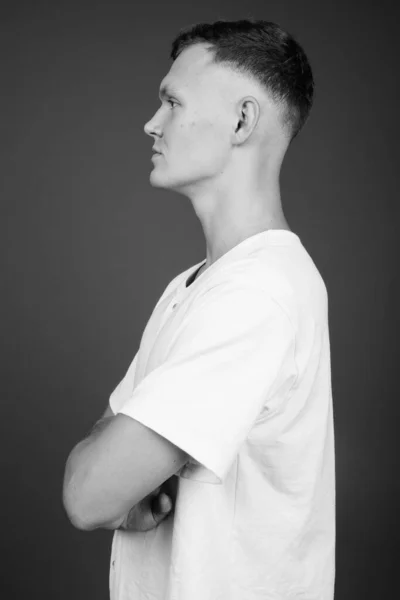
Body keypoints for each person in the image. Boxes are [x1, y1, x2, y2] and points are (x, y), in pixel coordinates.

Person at [63, 18, 335, 600]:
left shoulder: (256, 296)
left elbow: (88, 493)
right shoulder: (195, 286)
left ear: (242, 121)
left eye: (172, 101)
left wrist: (121, 468)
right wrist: (120, 461)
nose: (151, 123)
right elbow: (109, 460)